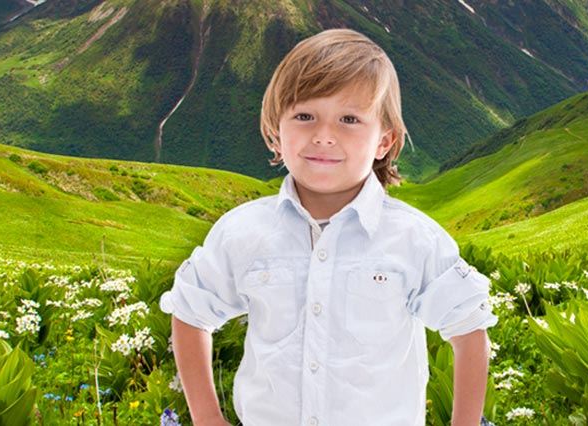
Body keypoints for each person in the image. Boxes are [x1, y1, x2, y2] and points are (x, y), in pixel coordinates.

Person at [160, 28, 496, 426]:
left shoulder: (414, 239)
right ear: (275, 133)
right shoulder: (241, 233)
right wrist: (207, 418)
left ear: (384, 141)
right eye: (304, 116)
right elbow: (190, 311)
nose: (324, 136)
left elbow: (470, 328)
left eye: (349, 119)